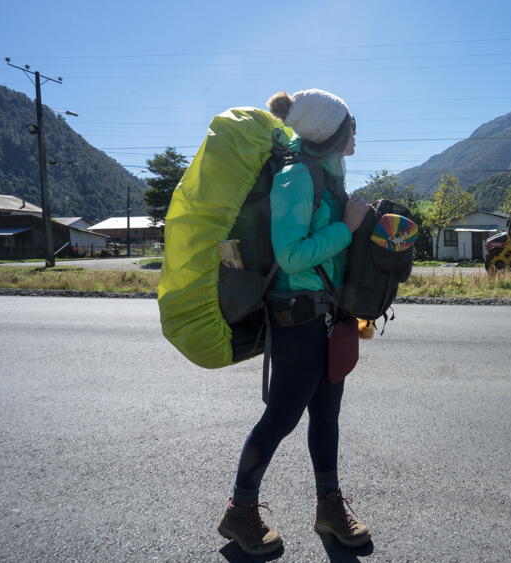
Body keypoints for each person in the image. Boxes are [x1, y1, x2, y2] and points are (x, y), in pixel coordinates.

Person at [216, 89, 372, 556]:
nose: (355, 131)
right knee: (281, 418)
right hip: (298, 319)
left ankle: (329, 508)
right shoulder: (294, 180)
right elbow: (290, 254)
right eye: (350, 124)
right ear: (331, 133)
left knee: (326, 414)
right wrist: (347, 226)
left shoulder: (330, 172)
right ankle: (239, 510)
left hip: (330, 316)